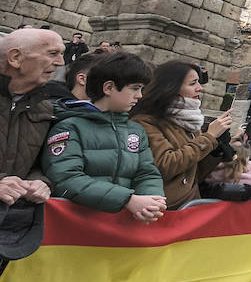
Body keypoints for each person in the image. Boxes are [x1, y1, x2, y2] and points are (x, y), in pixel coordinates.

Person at [42, 51, 166, 223]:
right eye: (135, 88)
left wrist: (152, 201)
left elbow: (146, 173)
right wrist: (127, 199)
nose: (140, 96)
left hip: (118, 227)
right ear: (108, 88)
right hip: (75, 224)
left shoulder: (135, 131)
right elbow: (65, 178)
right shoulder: (70, 127)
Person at [131, 60, 235, 208]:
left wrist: (215, 150)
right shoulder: (145, 121)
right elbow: (164, 166)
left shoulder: (191, 120)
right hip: (162, 208)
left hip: (189, 205)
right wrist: (209, 138)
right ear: (171, 87)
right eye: (192, 84)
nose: (199, 88)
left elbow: (194, 174)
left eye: (199, 83)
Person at [0, 28, 65, 209]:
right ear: (15, 58)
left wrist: (40, 182)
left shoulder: (45, 108)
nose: (61, 63)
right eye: (53, 53)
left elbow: (38, 163)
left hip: (17, 225)